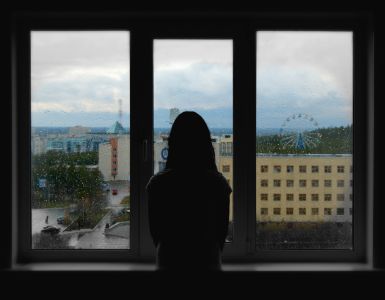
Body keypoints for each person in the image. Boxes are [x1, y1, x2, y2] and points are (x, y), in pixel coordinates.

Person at [146, 111, 232, 271]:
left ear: (174, 144)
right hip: (208, 262)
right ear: (206, 145)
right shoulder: (218, 184)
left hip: (169, 261)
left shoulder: (158, 184)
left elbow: (156, 233)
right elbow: (221, 233)